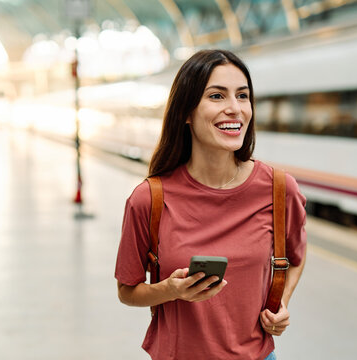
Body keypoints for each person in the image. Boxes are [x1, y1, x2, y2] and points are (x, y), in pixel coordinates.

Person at [115, 49, 307, 360]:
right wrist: (171, 290)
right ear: (185, 112)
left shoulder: (279, 189)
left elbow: (296, 256)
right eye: (217, 96)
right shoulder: (149, 199)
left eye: (242, 96)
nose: (235, 109)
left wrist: (280, 301)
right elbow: (127, 291)